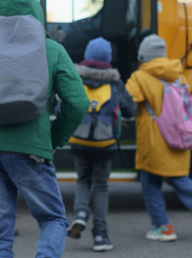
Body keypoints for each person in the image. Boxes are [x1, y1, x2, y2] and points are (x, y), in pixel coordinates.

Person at [0, 0, 90, 258]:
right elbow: (78, 103)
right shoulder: (51, 49)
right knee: (52, 220)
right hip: (32, 150)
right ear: (36, 9)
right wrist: (54, 139)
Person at [125, 34, 192, 242]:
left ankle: (170, 224)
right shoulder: (179, 77)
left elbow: (129, 103)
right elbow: (188, 107)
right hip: (180, 140)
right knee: (180, 179)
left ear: (143, 56)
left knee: (151, 185)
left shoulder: (139, 76)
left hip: (154, 143)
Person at [67, 37, 136, 252]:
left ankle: (79, 213)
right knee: (101, 186)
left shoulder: (76, 79)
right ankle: (101, 236)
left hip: (79, 141)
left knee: (82, 180)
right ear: (108, 59)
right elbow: (130, 110)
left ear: (87, 56)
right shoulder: (115, 83)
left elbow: (62, 105)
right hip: (105, 145)